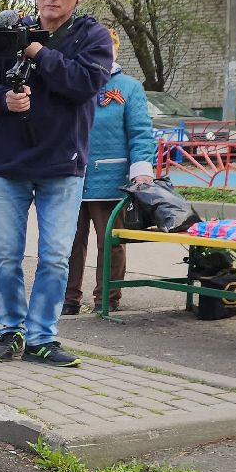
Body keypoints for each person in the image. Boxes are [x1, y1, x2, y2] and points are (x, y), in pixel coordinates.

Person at [0, 0, 113, 368]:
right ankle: (10, 332)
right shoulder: (6, 33)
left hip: (62, 164)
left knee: (55, 256)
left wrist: (36, 52)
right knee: (7, 255)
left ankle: (42, 337)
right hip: (7, 164)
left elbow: (84, 83)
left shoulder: (93, 37)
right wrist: (3, 101)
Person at [65, 32, 158, 315]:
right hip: (69, 177)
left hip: (110, 179)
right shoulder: (70, 82)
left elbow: (141, 133)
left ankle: (106, 298)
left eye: (105, 48)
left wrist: (141, 170)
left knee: (110, 243)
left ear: (114, 51)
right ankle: (68, 298)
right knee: (67, 243)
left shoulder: (128, 87)